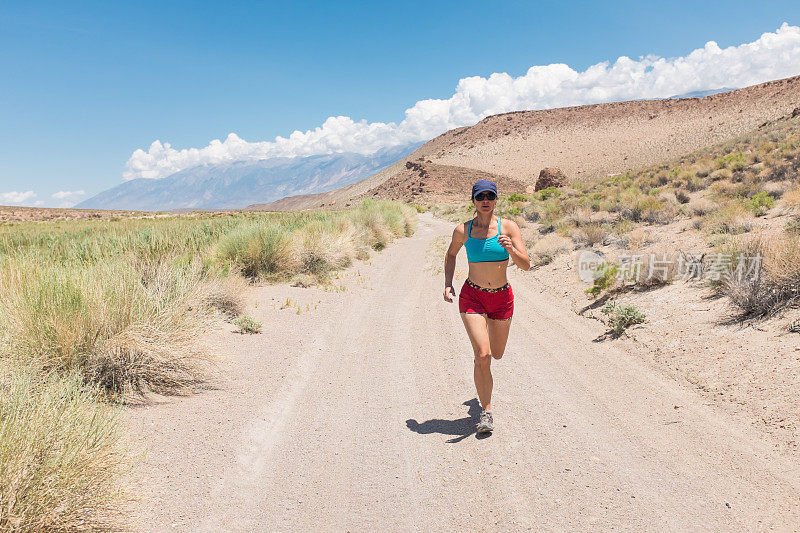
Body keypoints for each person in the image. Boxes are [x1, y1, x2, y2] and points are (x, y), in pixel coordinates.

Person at [442, 179, 531, 434]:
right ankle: (486, 411)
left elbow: (526, 265)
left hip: (502, 298)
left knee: (497, 353)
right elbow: (450, 254)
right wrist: (448, 283)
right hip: (473, 296)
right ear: (473, 200)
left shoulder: (508, 227)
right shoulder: (463, 230)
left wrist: (511, 249)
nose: (485, 200)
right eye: (480, 196)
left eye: (489, 196)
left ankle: (482, 364)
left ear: (495, 200)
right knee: (484, 355)